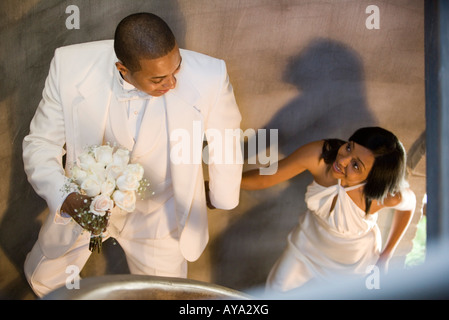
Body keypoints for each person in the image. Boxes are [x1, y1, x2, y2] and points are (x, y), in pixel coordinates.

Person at [22, 12, 242, 297]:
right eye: (159, 78)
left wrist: (220, 195)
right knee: (44, 279)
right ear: (123, 69)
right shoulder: (69, 67)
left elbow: (226, 142)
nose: (173, 83)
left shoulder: (211, 75)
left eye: (177, 70)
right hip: (84, 206)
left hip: (158, 214)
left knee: (162, 295)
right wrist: (69, 198)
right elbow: (40, 143)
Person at [241, 127, 415, 292]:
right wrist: (220, 185)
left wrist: (386, 255)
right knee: (275, 291)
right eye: (348, 147)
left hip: (352, 266)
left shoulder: (384, 197)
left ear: (374, 180)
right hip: (306, 247)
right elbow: (267, 177)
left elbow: (409, 206)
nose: (342, 160)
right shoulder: (321, 155)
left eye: (356, 165)